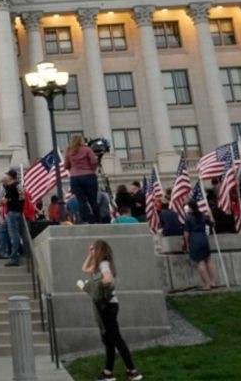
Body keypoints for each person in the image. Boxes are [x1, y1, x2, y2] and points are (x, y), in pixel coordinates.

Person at [82, 240, 144, 381]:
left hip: (108, 306)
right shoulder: (99, 265)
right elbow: (84, 269)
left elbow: (108, 279)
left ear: (100, 250)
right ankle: (108, 373)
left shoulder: (103, 264)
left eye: (94, 248)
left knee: (116, 339)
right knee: (108, 340)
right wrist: (90, 255)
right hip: (105, 307)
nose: (92, 250)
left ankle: (132, 371)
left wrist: (93, 287)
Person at [63, 134, 100, 223]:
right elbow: (94, 161)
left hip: (75, 178)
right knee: (93, 200)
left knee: (81, 200)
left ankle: (87, 218)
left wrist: (73, 168)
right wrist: (92, 169)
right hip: (89, 176)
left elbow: (66, 166)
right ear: (81, 140)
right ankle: (98, 219)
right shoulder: (87, 149)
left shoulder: (69, 151)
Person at [182, 201, 215, 290]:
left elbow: (186, 233)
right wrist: (210, 214)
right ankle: (212, 282)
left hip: (195, 239)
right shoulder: (203, 216)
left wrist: (187, 244)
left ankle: (207, 284)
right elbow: (212, 224)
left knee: (200, 262)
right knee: (208, 260)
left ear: (190, 208)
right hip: (204, 238)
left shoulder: (188, 218)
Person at [0, 169, 25, 266]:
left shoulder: (11, 186)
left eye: (7, 175)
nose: (6, 177)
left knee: (14, 235)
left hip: (13, 212)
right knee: (2, 229)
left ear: (10, 177)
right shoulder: (18, 185)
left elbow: (5, 200)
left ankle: (14, 258)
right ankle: (4, 252)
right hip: (18, 211)